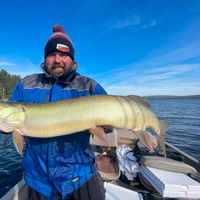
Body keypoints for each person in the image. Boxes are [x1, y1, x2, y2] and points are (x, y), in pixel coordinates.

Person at [11, 24, 107, 200]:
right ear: (45, 58)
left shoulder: (88, 86)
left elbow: (108, 124)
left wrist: (105, 123)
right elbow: (8, 119)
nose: (57, 60)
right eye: (51, 55)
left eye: (63, 54)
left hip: (80, 176)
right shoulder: (25, 84)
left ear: (72, 59)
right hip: (38, 181)